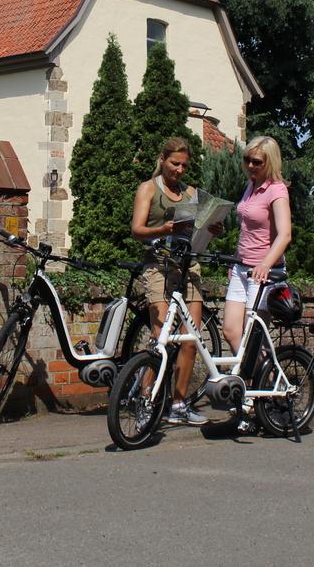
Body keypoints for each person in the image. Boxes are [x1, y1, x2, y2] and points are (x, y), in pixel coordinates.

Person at [131, 136, 214, 426]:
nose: (179, 170)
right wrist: (163, 228)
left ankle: (178, 404)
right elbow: (137, 229)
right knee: (160, 339)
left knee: (191, 340)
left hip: (188, 266)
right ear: (163, 159)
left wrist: (212, 228)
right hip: (158, 266)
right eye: (174, 163)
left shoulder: (192, 194)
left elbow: (202, 234)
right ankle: (146, 401)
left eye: (183, 165)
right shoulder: (148, 189)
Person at [223, 134, 292, 355]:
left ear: (270, 162)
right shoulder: (251, 185)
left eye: (257, 162)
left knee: (253, 339)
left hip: (264, 273)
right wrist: (234, 260)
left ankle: (266, 383)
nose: (250, 165)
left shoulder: (277, 190)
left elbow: (285, 235)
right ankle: (255, 379)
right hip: (242, 269)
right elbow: (247, 230)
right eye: (247, 160)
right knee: (231, 332)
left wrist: (265, 265)